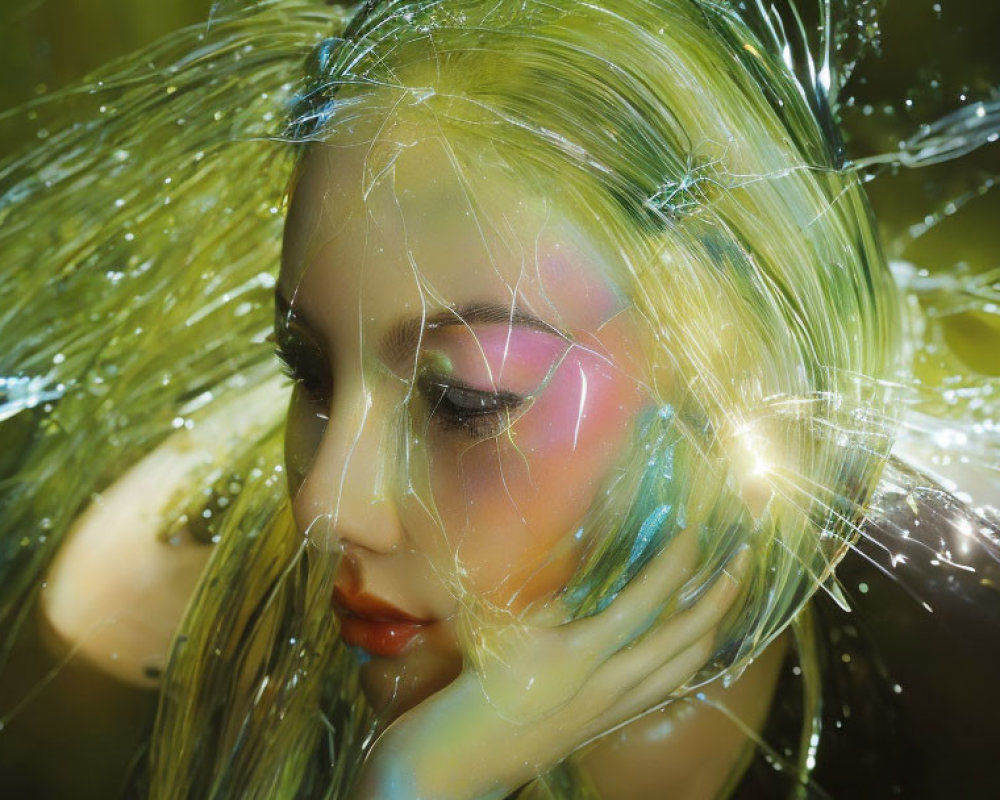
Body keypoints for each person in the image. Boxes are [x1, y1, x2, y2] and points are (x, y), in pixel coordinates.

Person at [1, 1, 998, 798]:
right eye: (305, 367)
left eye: (464, 398)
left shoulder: (955, 687)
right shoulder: (144, 612)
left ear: (725, 385)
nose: (325, 505)